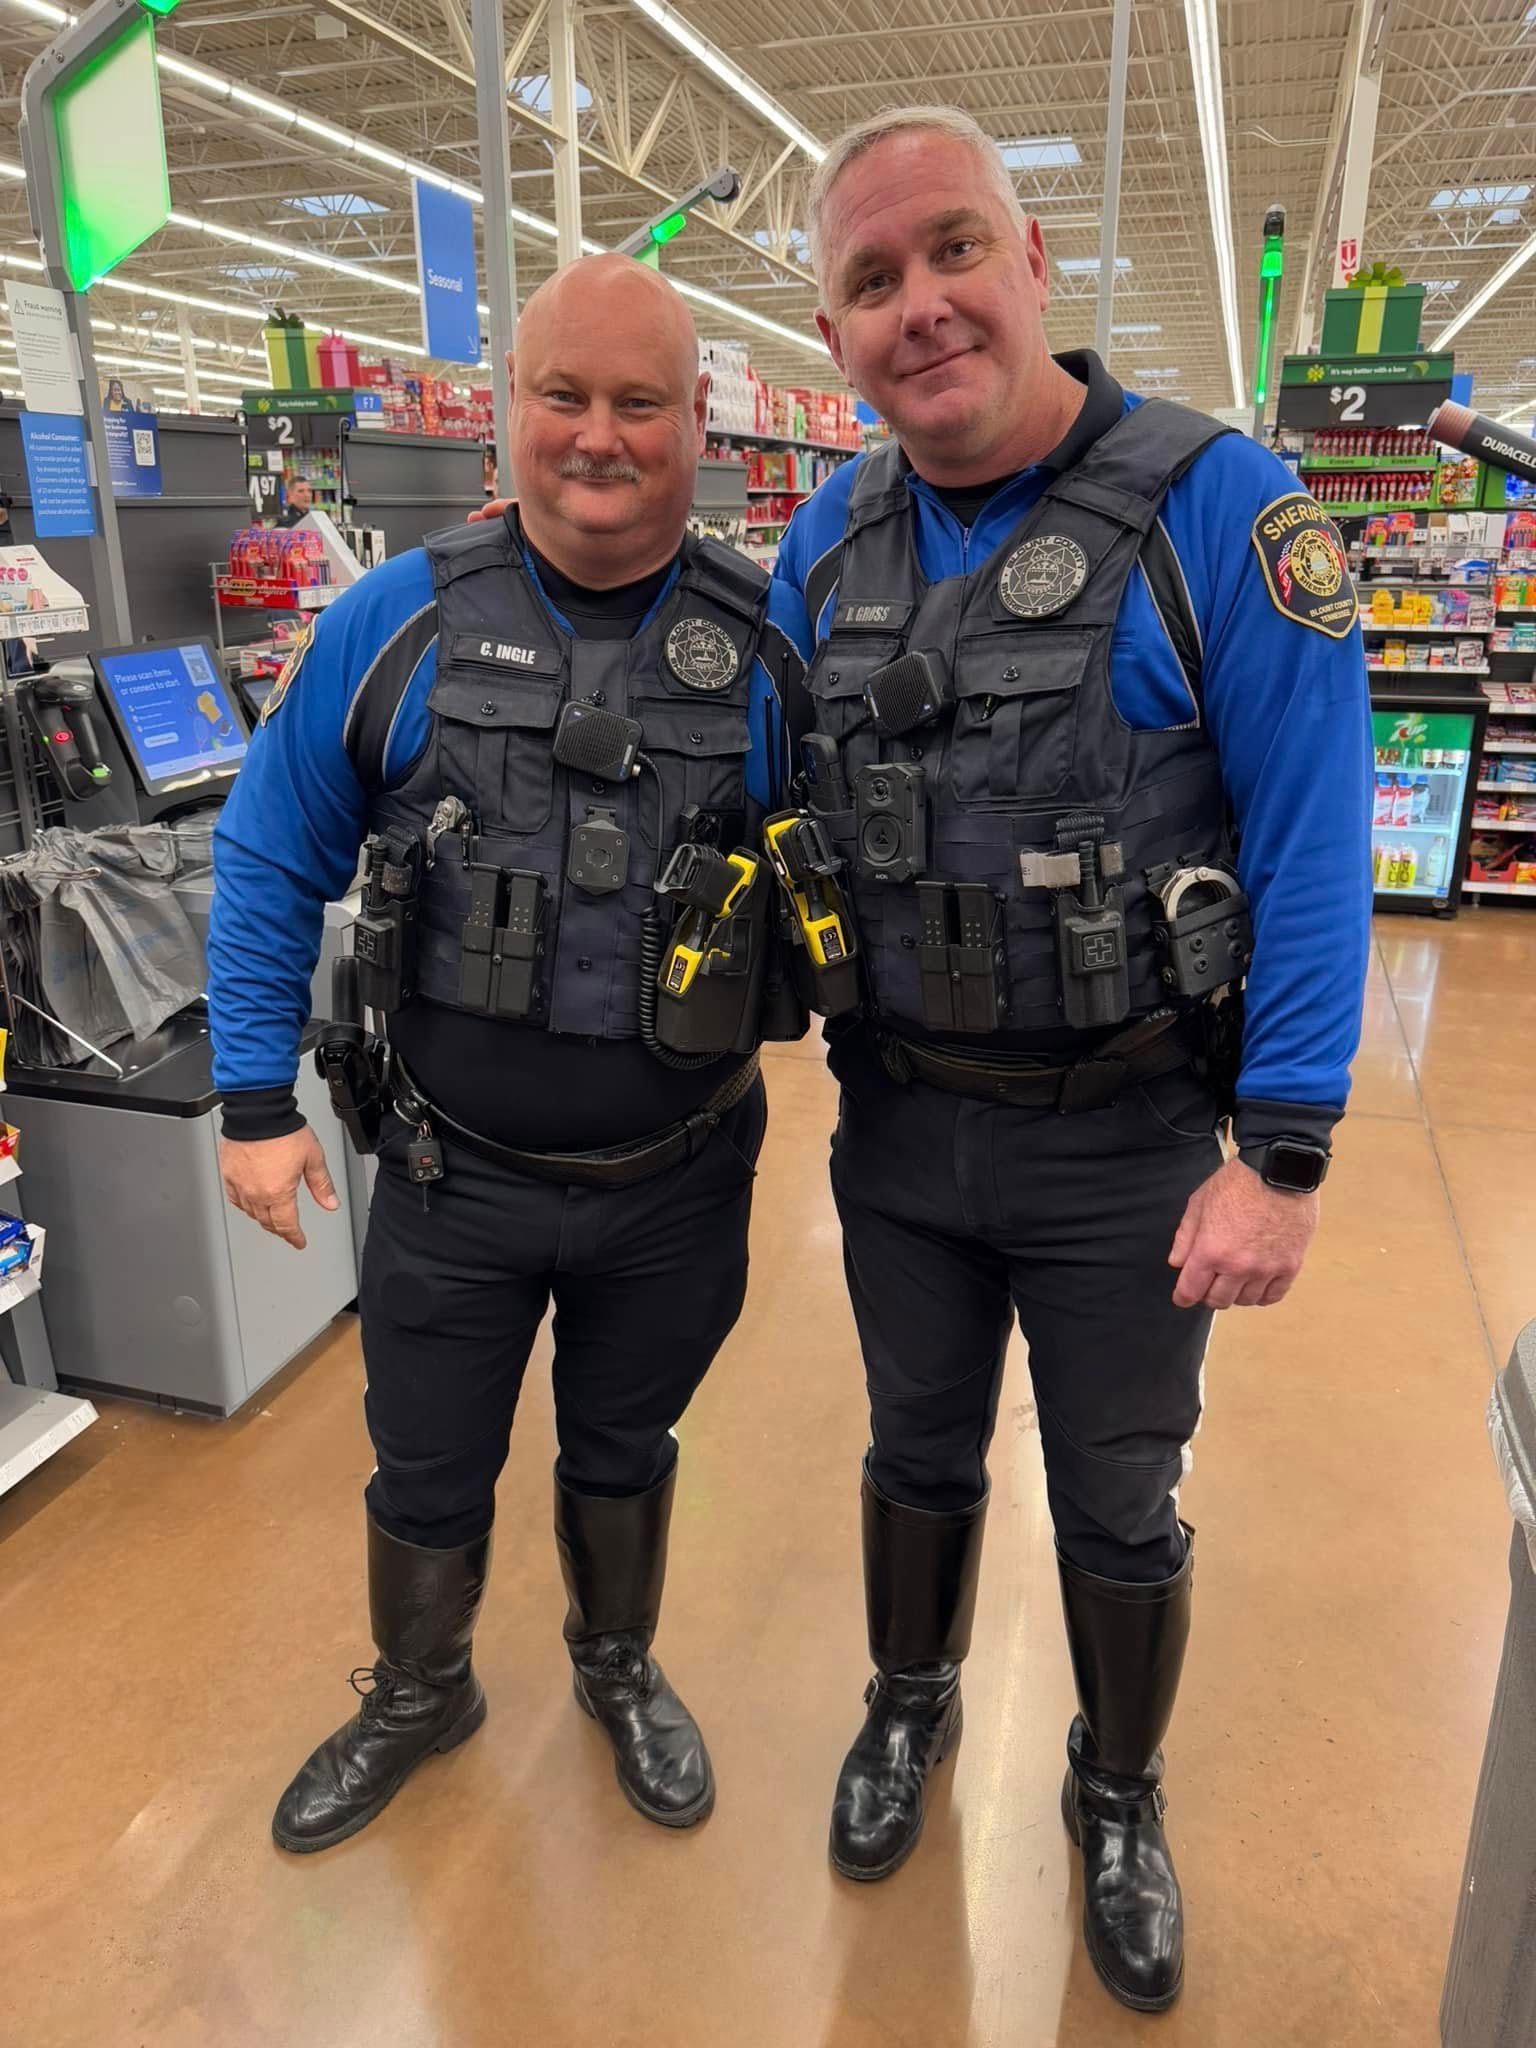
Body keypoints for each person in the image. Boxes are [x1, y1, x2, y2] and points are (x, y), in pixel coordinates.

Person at [774, 107, 1371, 2013]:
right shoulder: (823, 534)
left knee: (1119, 1492)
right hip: (901, 1136)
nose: (920, 307)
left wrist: (1281, 1155)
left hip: (1130, 1146)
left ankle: (1118, 1794)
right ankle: (908, 1707)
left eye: (951, 251)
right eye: (870, 282)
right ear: (836, 333)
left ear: (1032, 259)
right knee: (913, 1452)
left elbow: (1311, 837)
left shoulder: (1219, 505)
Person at [208, 253, 810, 1855]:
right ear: (504, 411)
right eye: (565, 395)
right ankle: (421, 1691)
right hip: (443, 1174)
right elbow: (271, 856)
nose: (599, 435)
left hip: (679, 1182)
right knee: (426, 1462)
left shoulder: (770, 649)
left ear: (701, 424)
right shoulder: (391, 623)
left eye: (639, 402)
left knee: (626, 1442)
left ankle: (614, 1663)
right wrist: (254, 1101)